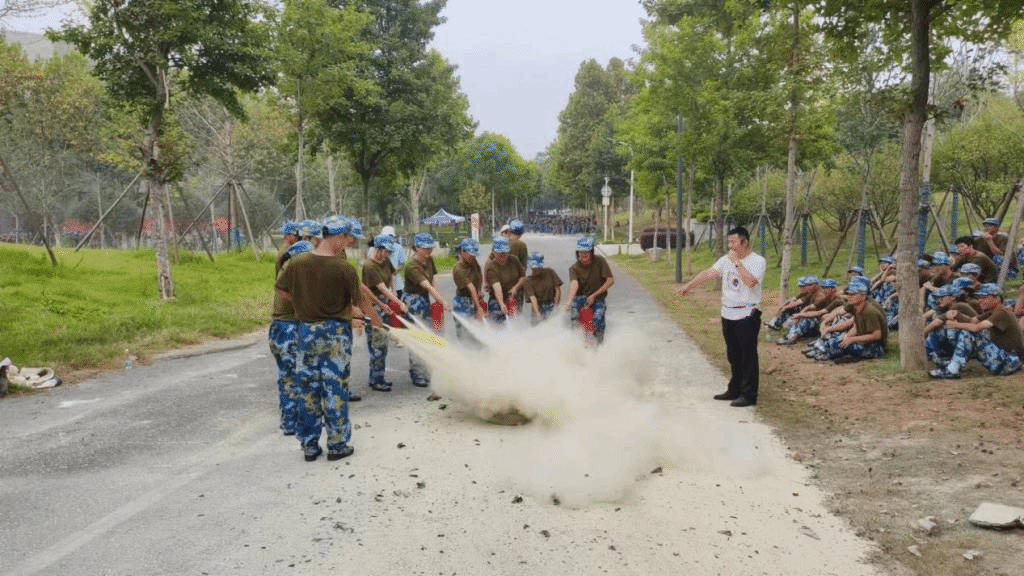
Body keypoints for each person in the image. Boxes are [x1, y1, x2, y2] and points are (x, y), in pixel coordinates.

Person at [275, 216, 364, 462]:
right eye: (346, 238)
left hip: (306, 331)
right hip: (336, 334)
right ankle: (337, 445)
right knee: (335, 388)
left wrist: (301, 303)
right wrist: (353, 315)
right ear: (338, 237)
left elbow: (280, 288)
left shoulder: (297, 262)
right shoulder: (344, 268)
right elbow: (357, 304)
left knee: (308, 388)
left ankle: (310, 445)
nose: (347, 242)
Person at [674, 226, 766, 406]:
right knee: (733, 354)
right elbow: (709, 273)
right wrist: (689, 286)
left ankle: (749, 395)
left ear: (744, 242)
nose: (730, 246)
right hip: (728, 313)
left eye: (733, 242)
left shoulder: (757, 261)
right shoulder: (725, 260)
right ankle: (734, 389)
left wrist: (737, 262)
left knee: (747, 356)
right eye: (728, 242)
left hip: (746, 314)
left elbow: (750, 282)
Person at [930, 283, 1023, 378]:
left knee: (970, 332)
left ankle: (952, 370)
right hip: (1006, 359)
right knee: (966, 330)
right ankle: (952, 363)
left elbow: (976, 328)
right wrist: (957, 315)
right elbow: (973, 320)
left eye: (984, 297)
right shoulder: (992, 312)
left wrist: (955, 325)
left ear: (997, 298)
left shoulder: (1002, 313)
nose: (980, 300)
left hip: (1010, 361)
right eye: (979, 297)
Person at [269, 239, 312, 436]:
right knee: (291, 377)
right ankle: (290, 422)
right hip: (287, 329)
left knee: (289, 376)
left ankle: (291, 420)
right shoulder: (291, 270)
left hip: (284, 328)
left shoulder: (292, 269)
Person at [403, 232, 450, 388]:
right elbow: (427, 285)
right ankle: (417, 373)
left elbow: (432, 281)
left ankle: (426, 370)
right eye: (425, 248)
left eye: (430, 248)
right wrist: (442, 301)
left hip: (424, 299)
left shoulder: (429, 260)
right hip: (413, 302)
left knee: (428, 335)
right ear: (416, 248)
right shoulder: (411, 266)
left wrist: (438, 300)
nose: (428, 251)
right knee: (417, 336)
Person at [362, 235, 407, 392]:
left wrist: (394, 296)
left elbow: (391, 277)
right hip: (373, 308)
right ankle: (376, 380)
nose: (388, 254)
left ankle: (377, 377)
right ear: (378, 249)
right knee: (377, 344)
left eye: (389, 252)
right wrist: (399, 302)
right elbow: (381, 287)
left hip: (384, 304)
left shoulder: (385, 261)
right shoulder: (369, 266)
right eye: (386, 251)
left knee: (382, 345)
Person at [564, 236, 615, 343]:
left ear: (591, 252)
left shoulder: (600, 261)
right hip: (580, 297)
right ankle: (577, 343)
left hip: (597, 297)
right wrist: (569, 301)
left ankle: (599, 344)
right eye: (580, 253)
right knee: (574, 318)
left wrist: (594, 295)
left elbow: (610, 280)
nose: (583, 256)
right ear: (577, 253)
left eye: (586, 253)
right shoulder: (574, 268)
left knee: (598, 319)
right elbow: (574, 284)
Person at [451, 237, 486, 342]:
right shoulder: (458, 269)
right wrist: (478, 308)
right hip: (463, 302)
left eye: (474, 255)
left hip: (474, 299)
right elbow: (471, 288)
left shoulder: (473, 262)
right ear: (462, 252)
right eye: (470, 254)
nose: (472, 257)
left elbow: (479, 275)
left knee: (477, 333)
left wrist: (479, 292)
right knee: (465, 333)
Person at [485, 236, 526, 323]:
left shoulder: (514, 260)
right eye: (500, 253)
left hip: (513, 298)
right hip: (497, 299)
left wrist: (515, 288)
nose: (503, 256)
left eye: (505, 253)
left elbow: (523, 277)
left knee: (515, 321)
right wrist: (501, 303)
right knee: (497, 322)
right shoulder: (491, 267)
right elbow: (497, 287)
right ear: (494, 253)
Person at [523, 251, 563, 324]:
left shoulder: (550, 272)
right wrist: (538, 314)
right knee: (538, 325)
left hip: (551, 304)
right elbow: (533, 298)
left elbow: (557, 289)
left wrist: (555, 307)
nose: (535, 271)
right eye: (533, 269)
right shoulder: (527, 281)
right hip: (538, 306)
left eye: (538, 268)